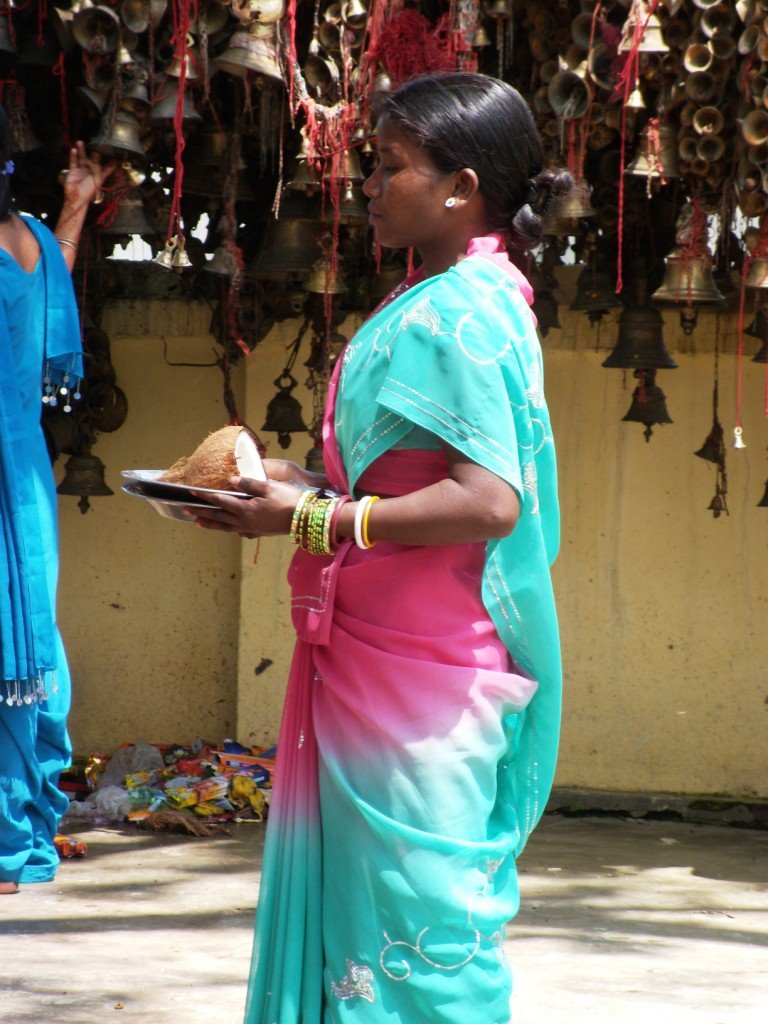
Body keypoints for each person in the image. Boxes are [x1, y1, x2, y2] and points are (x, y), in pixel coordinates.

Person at [193, 72, 571, 1024]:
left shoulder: (465, 309)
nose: (368, 182)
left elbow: (488, 503)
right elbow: (398, 483)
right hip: (372, 652)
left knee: (427, 945)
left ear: (462, 187)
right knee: (376, 931)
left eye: (390, 164)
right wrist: (293, 488)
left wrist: (313, 521)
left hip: (421, 679)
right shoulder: (439, 295)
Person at [0, 106, 112, 894]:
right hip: (25, 468)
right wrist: (74, 207)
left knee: (11, 650)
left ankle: (7, 849)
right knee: (27, 644)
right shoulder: (33, 239)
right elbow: (45, 302)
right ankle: (24, 836)